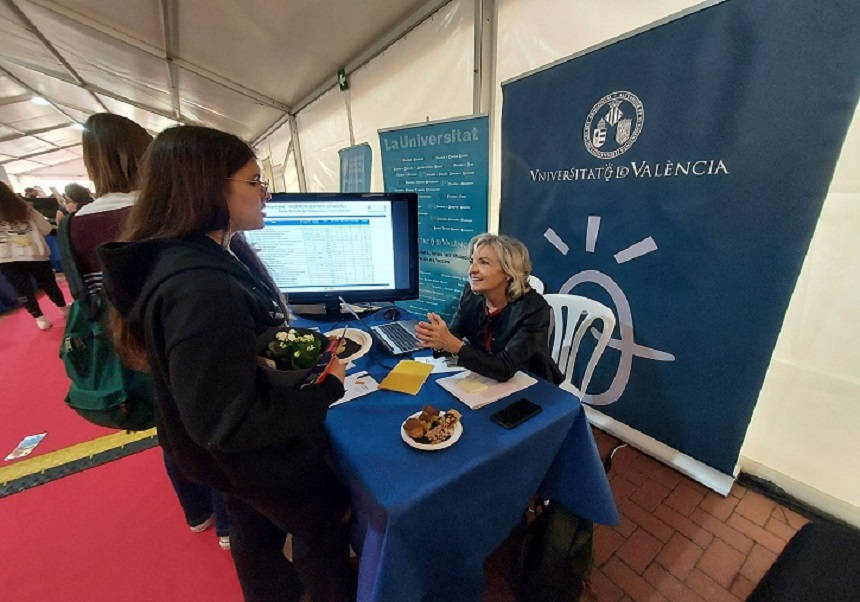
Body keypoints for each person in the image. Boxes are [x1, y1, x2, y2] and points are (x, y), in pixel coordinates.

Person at [99, 125, 353, 602]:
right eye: (255, 181)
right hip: (252, 457)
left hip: (224, 465)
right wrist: (328, 387)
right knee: (323, 526)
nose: (266, 194)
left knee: (253, 529)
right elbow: (229, 423)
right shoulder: (201, 289)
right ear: (207, 186)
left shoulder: (201, 254)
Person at [67, 113, 230, 548]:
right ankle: (229, 520)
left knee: (170, 427)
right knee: (207, 421)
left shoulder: (75, 221)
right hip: (178, 331)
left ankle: (196, 512)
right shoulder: (156, 211)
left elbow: (80, 289)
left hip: (121, 338)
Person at [415, 233, 563, 383]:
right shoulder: (471, 296)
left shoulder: (534, 309)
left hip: (530, 383)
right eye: (472, 261)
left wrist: (455, 346)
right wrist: (438, 341)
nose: (472, 270)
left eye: (483, 263)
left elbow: (506, 368)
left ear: (508, 272)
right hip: (484, 378)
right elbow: (452, 338)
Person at [0, 181, 68, 329]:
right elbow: (45, 229)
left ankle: (40, 318)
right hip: (33, 254)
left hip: (4, 258)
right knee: (48, 283)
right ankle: (63, 309)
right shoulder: (24, 208)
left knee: (22, 289)